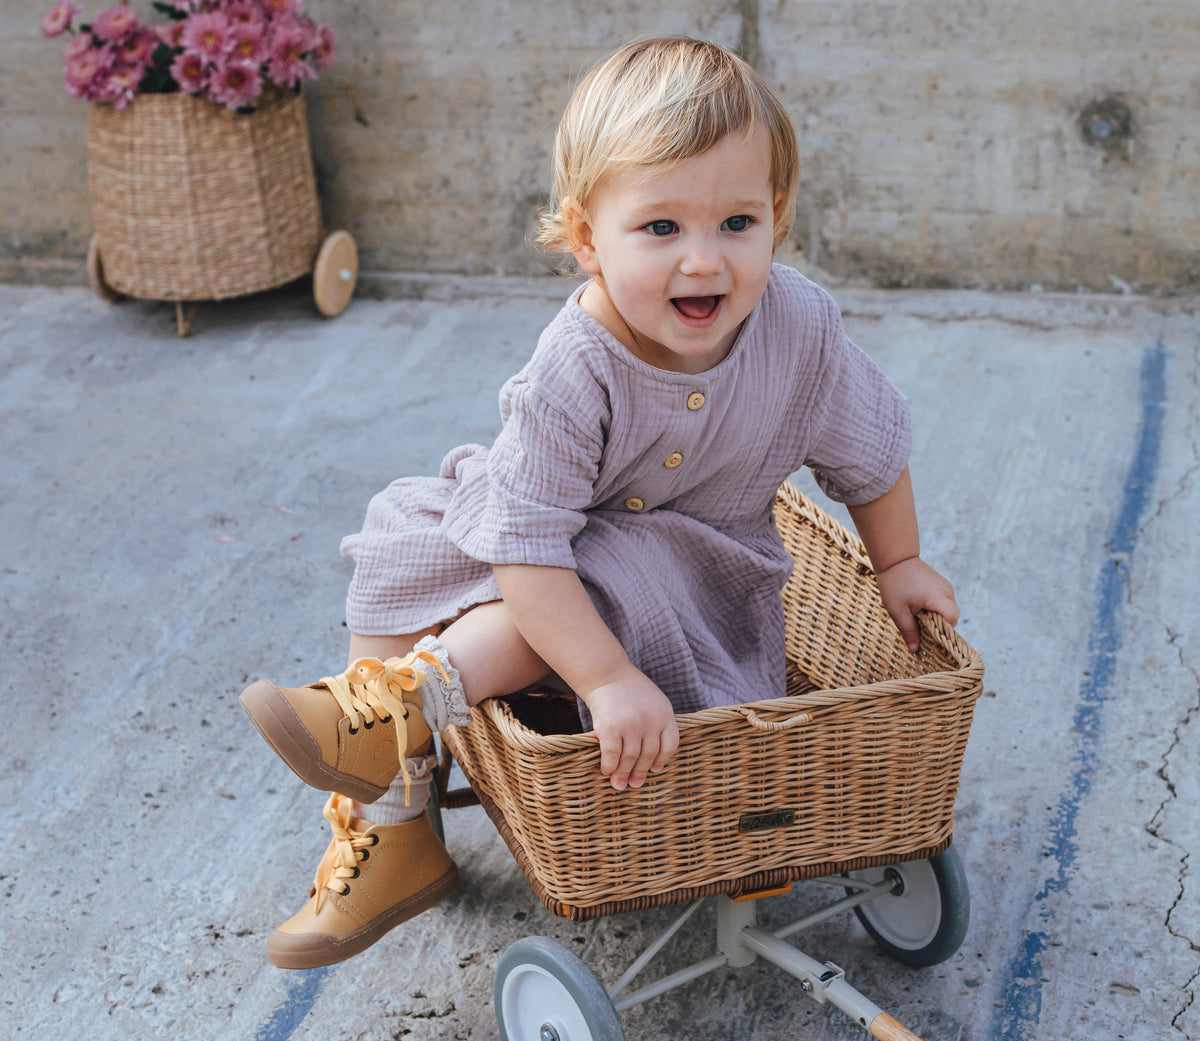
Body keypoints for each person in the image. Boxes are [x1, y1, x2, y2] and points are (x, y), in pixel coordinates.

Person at [241, 35, 959, 970]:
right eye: (660, 229)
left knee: (597, 577)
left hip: (694, 580)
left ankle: (418, 700)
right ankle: (392, 814)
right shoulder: (574, 365)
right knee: (398, 542)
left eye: (736, 223)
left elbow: (872, 447)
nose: (704, 262)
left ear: (776, 217)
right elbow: (527, 543)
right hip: (544, 555)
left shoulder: (801, 331)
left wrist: (897, 561)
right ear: (587, 238)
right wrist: (602, 673)